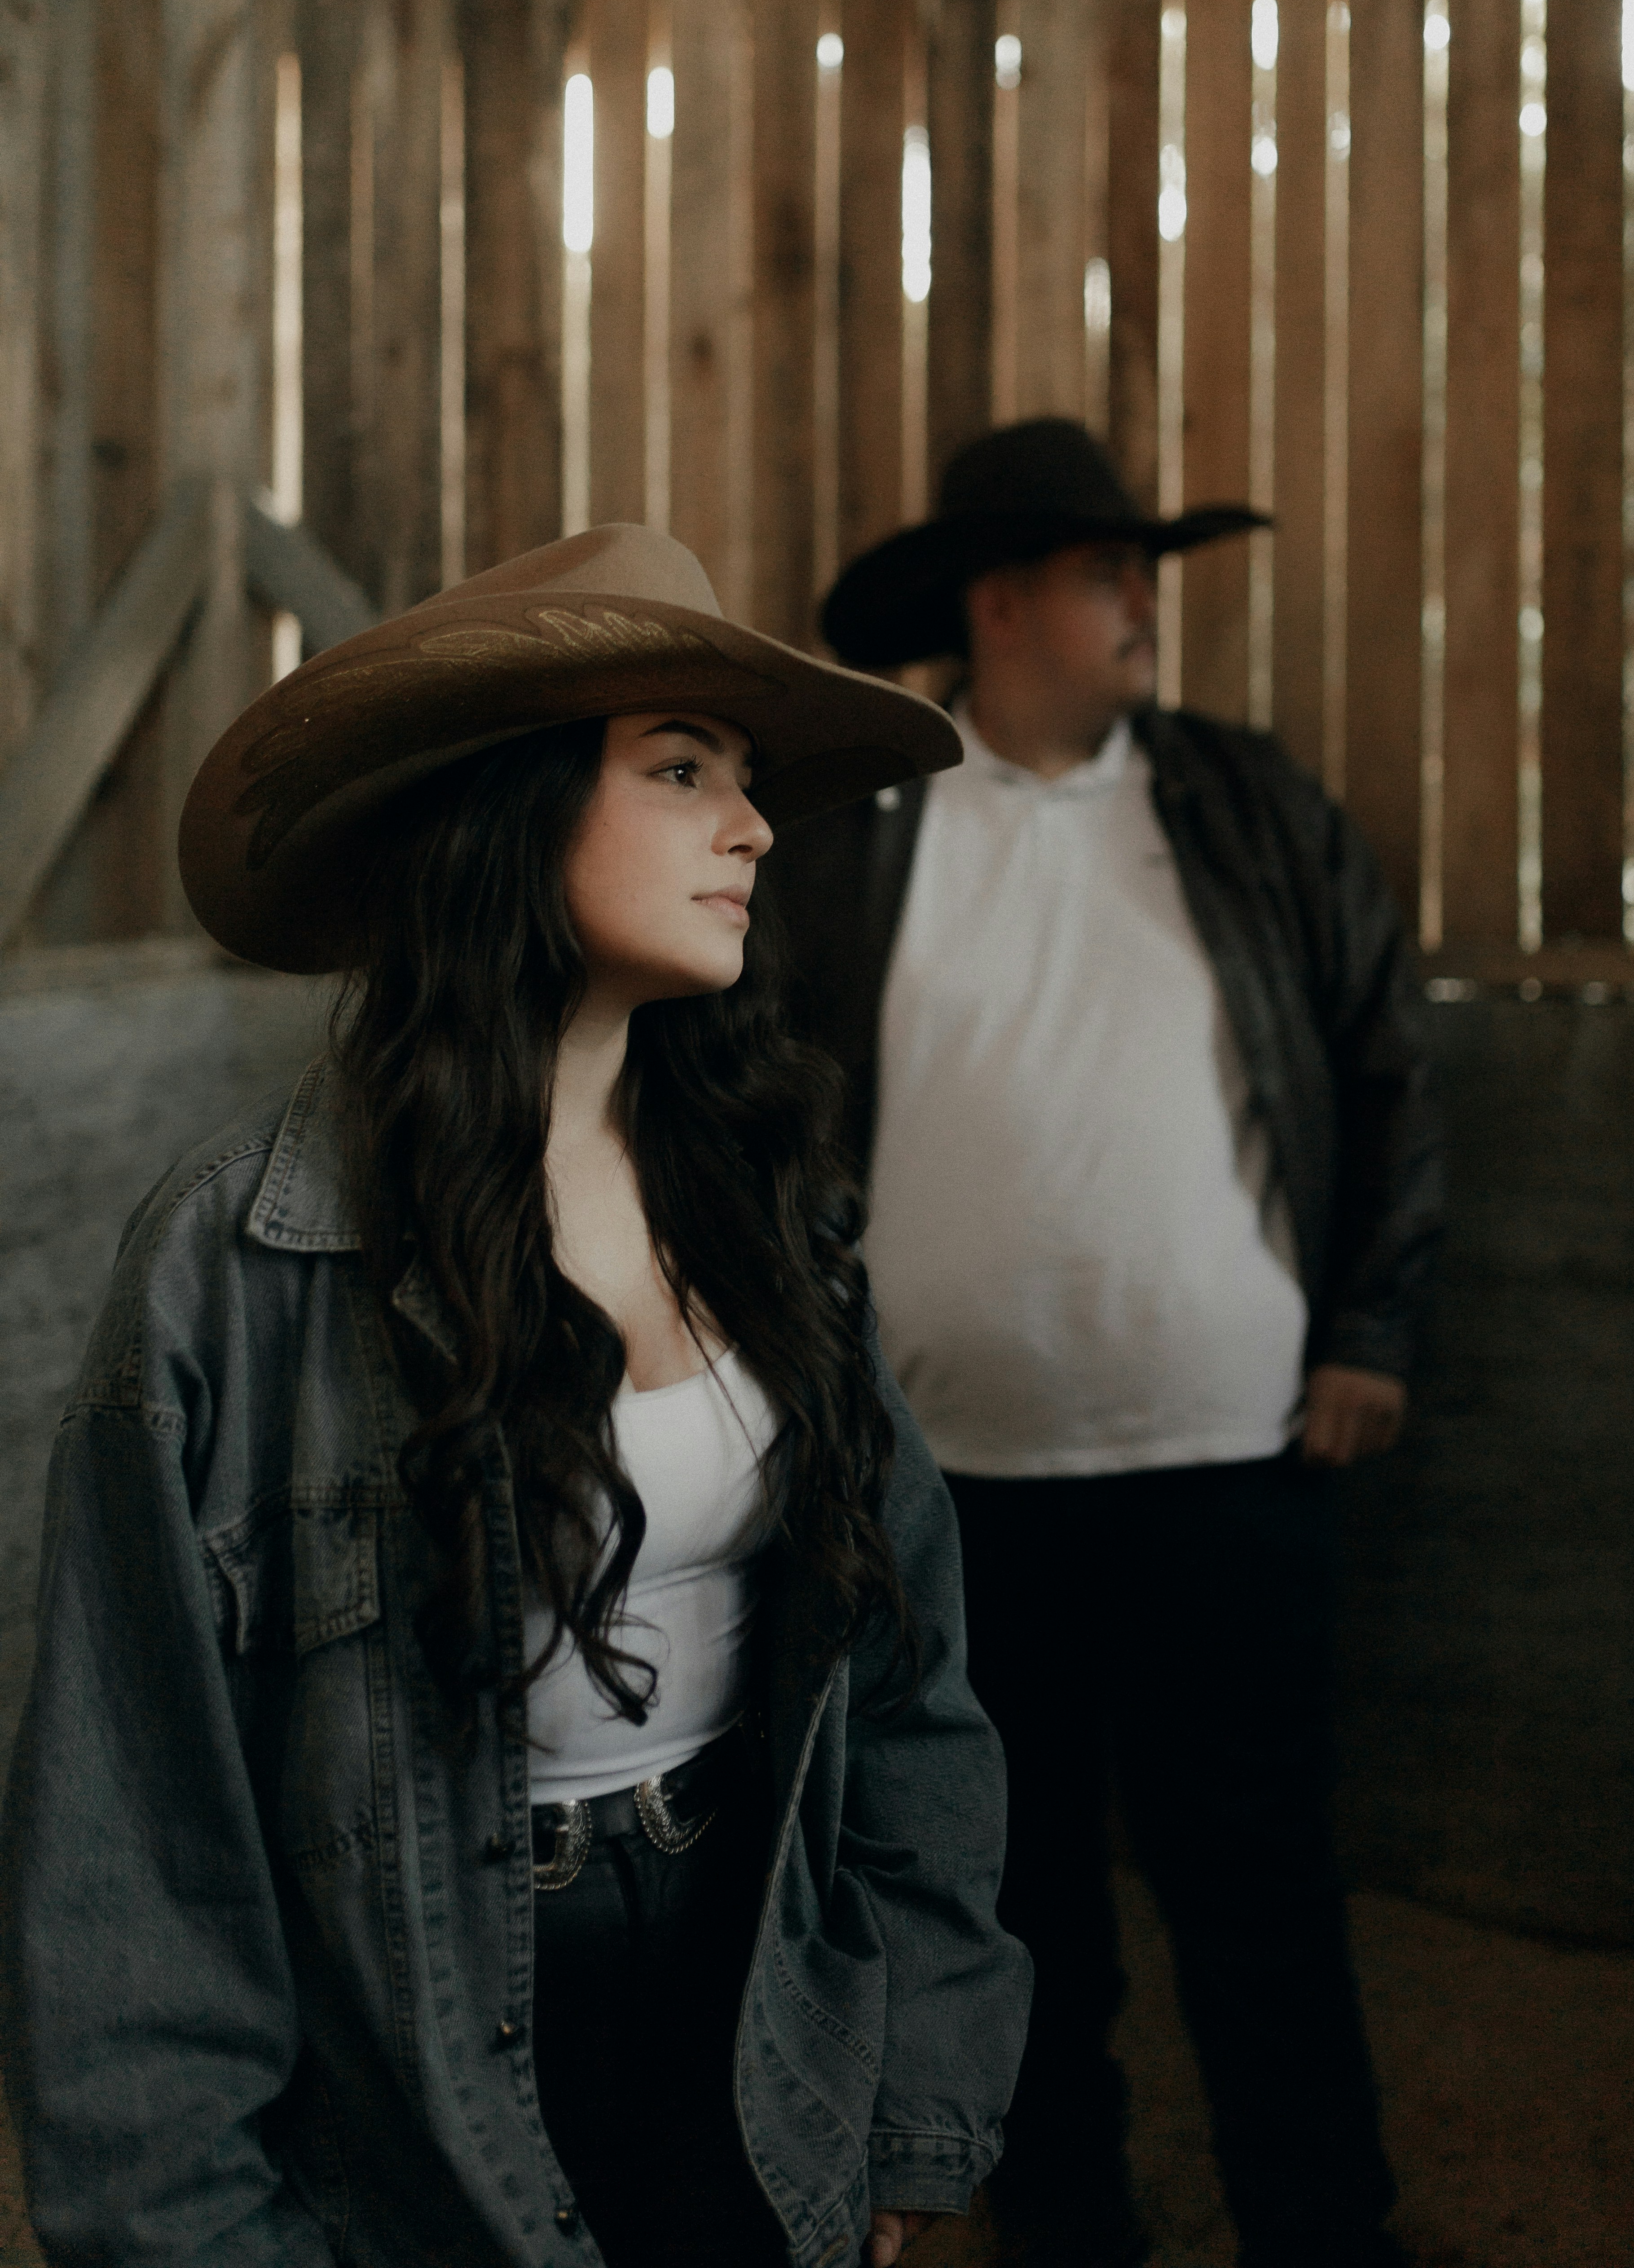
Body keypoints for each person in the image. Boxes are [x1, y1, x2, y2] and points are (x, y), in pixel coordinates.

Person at [0, 523, 1031, 2268]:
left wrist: (906, 2090)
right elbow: (137, 1860)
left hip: (751, 1986)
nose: (755, 828)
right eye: (682, 769)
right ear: (510, 803)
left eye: (749, 780)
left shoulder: (774, 1213)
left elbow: (907, 1677)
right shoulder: (233, 1274)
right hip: (421, 2047)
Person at [762, 420, 1445, 2268]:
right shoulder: (852, 829)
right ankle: (1068, 2238)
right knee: (1009, 1905)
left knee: (1260, 1901)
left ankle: (1323, 2237)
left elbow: (1383, 1058)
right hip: (948, 1496)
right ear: (1000, 603)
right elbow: (747, 1113)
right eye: (1106, 571)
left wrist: (1364, 1325)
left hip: (1237, 1460)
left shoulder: (1241, 802)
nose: (1143, 604)